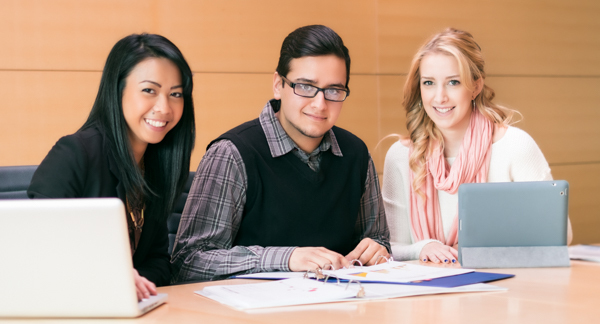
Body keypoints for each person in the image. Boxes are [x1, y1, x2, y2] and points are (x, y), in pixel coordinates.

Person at [171, 25, 390, 283]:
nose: (320, 104)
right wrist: (287, 259)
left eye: (333, 90)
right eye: (305, 87)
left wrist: (378, 249)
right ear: (278, 85)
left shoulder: (357, 155)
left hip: (339, 310)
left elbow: (378, 241)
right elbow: (189, 261)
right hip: (248, 318)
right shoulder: (232, 153)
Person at [382, 28, 572, 263]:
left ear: (476, 86)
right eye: (429, 83)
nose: (439, 97)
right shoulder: (401, 156)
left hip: (503, 288)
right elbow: (389, 246)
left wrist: (487, 244)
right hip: (427, 292)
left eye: (453, 82)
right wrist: (422, 248)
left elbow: (562, 233)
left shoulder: (515, 146)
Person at [27, 33, 195, 300]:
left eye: (175, 94)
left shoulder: (157, 165)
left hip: (123, 310)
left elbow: (159, 261)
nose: (164, 107)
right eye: (149, 90)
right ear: (117, 91)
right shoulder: (75, 153)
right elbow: (35, 247)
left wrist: (133, 284)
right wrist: (111, 275)